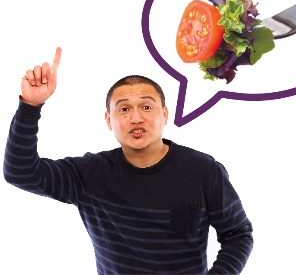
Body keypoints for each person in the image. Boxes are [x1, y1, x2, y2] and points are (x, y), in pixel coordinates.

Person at [3, 47, 253, 274]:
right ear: (108, 120)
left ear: (165, 115)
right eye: (123, 109)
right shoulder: (89, 174)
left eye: (146, 107)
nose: (135, 118)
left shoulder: (203, 170)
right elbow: (19, 172)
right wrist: (30, 105)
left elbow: (238, 235)